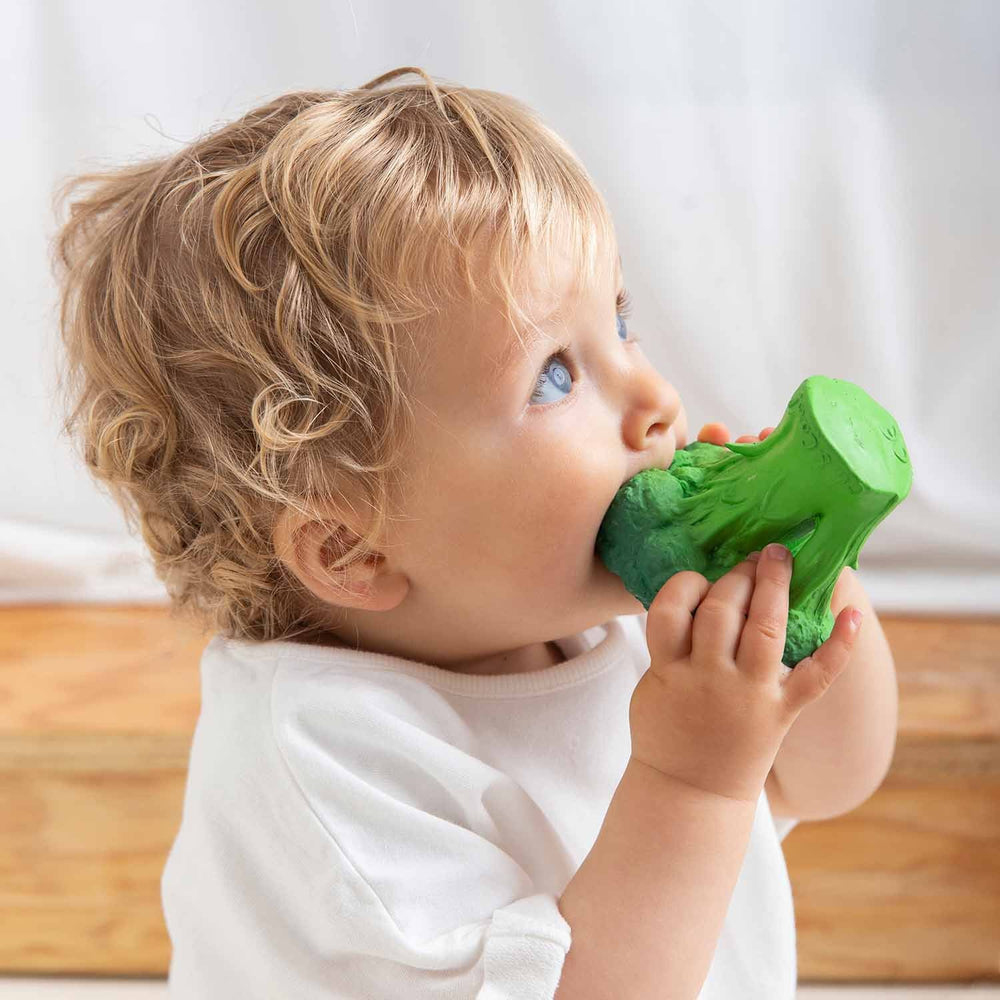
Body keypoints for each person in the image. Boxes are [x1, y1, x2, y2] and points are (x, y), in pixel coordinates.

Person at [51, 65, 868, 999]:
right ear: (353, 550)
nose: (657, 402)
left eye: (621, 321)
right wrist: (692, 782)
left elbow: (827, 778)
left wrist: (811, 572)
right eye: (555, 376)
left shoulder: (586, 619)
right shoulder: (326, 753)